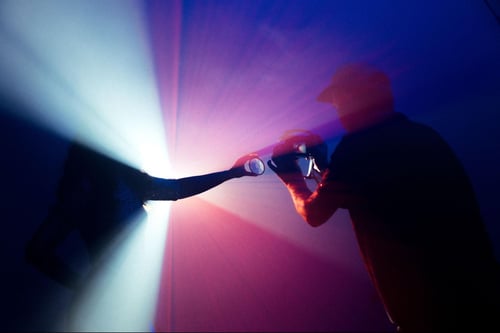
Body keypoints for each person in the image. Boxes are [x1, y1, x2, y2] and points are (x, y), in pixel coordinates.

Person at [268, 63, 500, 332]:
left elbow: (314, 213)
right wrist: (326, 166)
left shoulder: (358, 148)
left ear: (352, 98)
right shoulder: (422, 136)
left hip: (429, 312)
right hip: (482, 295)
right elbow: (365, 191)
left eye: (339, 99)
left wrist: (292, 179)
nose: (339, 108)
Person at [25, 141, 262, 290]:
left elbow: (178, 189)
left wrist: (232, 174)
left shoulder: (130, 184)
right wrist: (83, 287)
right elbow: (37, 251)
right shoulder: (82, 196)